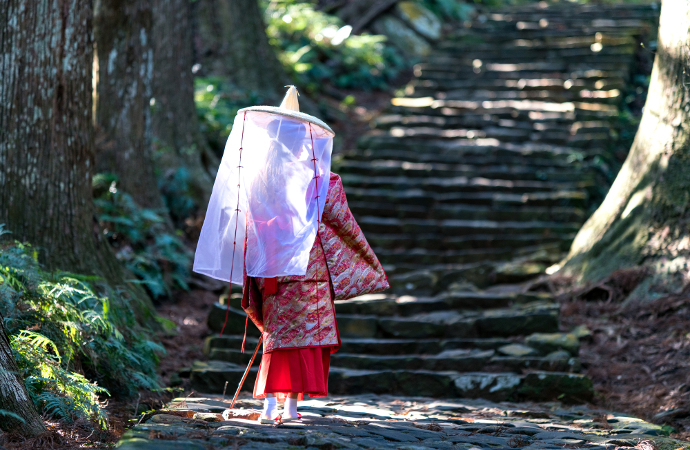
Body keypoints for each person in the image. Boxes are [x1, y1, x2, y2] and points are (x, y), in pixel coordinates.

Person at [242, 171, 389, 423]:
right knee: (305, 336)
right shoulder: (312, 172)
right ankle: (287, 408)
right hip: (308, 262)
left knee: (277, 336)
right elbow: (331, 205)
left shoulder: (263, 175)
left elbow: (251, 217)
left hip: (273, 259)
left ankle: (270, 405)